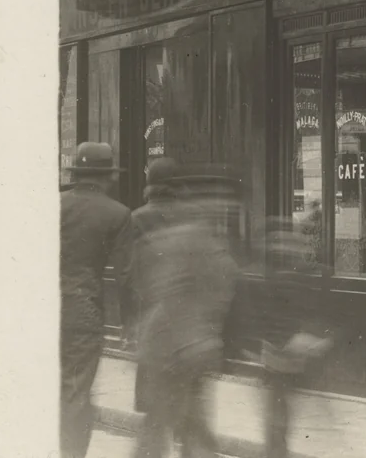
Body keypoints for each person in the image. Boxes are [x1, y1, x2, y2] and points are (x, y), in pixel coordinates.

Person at [132, 166, 240, 458]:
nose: (226, 207)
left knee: (189, 430)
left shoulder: (207, 237)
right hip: (170, 350)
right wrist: (196, 340)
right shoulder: (184, 239)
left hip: (191, 352)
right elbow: (169, 294)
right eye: (219, 201)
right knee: (160, 432)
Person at [60, 142, 133, 458]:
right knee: (75, 394)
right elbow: (126, 275)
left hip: (45, 309)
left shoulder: (54, 205)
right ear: (106, 177)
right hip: (83, 313)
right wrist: (129, 322)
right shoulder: (117, 214)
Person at [245, 217, 334, 458]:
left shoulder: (301, 274)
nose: (283, 247)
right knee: (278, 421)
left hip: (293, 358)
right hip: (279, 359)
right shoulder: (272, 275)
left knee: (284, 421)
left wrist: (314, 338)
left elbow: (315, 310)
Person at [129, 157, 181, 414]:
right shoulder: (187, 216)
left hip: (150, 305)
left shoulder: (137, 218)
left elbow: (131, 269)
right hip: (183, 307)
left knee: (152, 403)